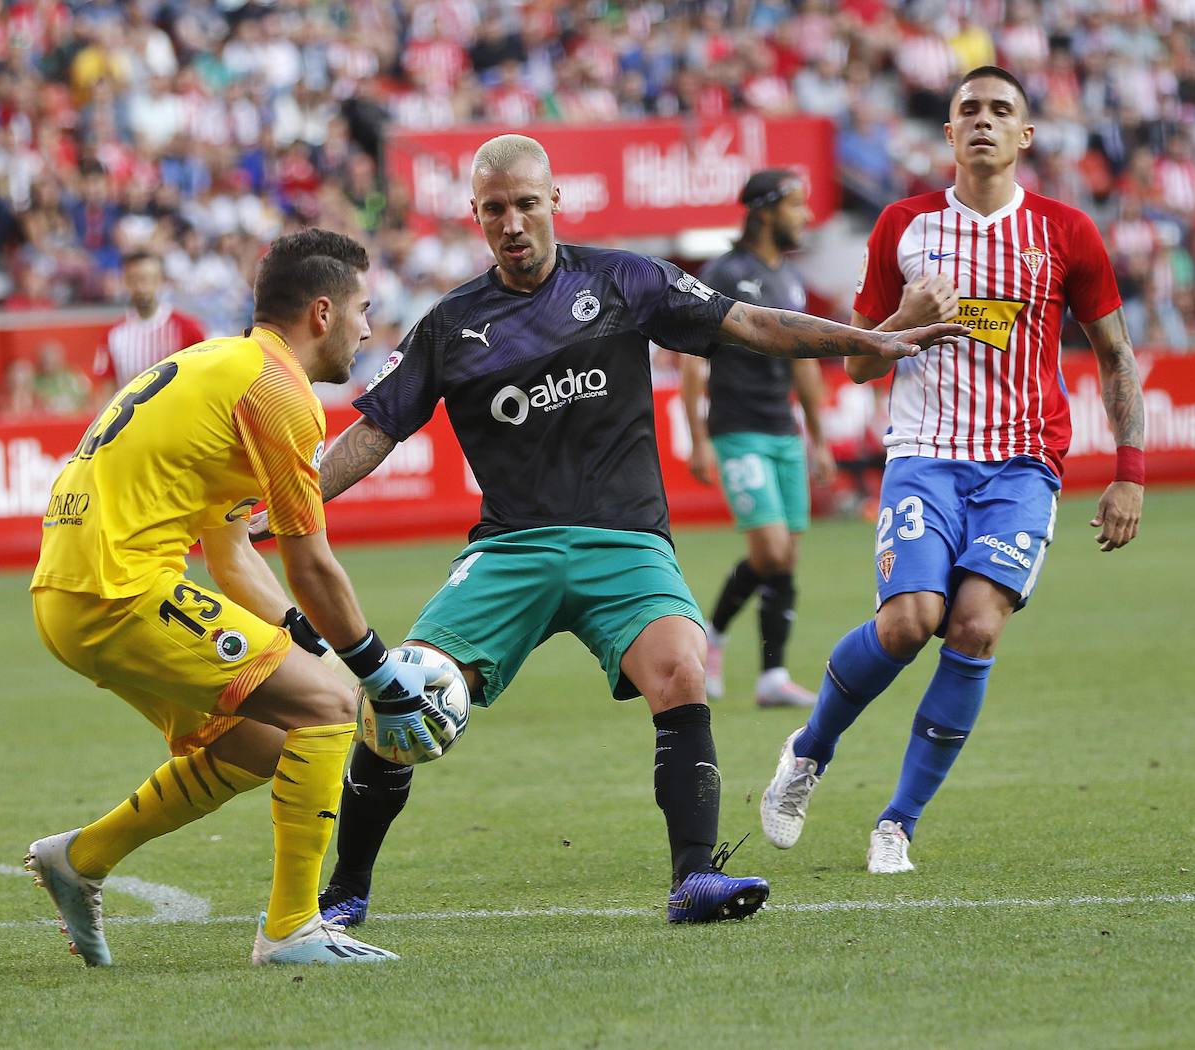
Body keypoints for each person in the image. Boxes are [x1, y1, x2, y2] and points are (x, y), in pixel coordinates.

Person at [251, 134, 963, 927]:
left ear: (555, 201)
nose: (513, 223)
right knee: (403, 702)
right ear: (476, 218)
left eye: (526, 203)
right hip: (510, 550)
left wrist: (869, 339)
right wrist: (276, 507)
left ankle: (693, 880)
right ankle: (345, 895)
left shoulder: (625, 280)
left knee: (682, 671)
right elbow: (372, 435)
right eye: (495, 210)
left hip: (624, 543)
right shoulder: (452, 324)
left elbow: (750, 324)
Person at [760, 66, 1146, 874]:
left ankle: (897, 823)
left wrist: (1129, 470)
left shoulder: (1066, 232)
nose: (983, 121)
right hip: (924, 459)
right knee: (908, 623)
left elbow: (1114, 355)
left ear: (1025, 136)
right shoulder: (902, 225)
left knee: (973, 626)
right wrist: (906, 319)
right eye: (967, 109)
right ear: (947, 133)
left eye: (1001, 110)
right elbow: (861, 364)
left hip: (1022, 465)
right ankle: (809, 748)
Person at [25, 229, 445, 966]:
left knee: (268, 742)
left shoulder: (224, 368)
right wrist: (379, 676)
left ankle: (81, 858)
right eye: (362, 310)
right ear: (322, 313)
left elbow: (231, 555)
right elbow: (310, 564)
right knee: (326, 707)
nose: (368, 328)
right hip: (117, 587)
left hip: (72, 590)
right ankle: (290, 930)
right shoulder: (278, 392)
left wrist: (307, 646)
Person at [680, 169, 834, 709]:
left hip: (783, 432)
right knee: (768, 549)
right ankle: (713, 636)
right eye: (797, 205)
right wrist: (698, 438)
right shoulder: (723, 272)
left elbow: (806, 366)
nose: (806, 216)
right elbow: (694, 359)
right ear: (765, 211)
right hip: (738, 429)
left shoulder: (790, 279)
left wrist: (819, 438)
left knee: (785, 558)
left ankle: (773, 675)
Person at [93, 250, 206, 395]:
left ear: (160, 280)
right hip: (132, 417)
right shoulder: (114, 335)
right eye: (135, 279)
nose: (142, 287)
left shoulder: (188, 328)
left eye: (148, 279)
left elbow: (201, 379)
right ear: (125, 282)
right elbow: (107, 389)